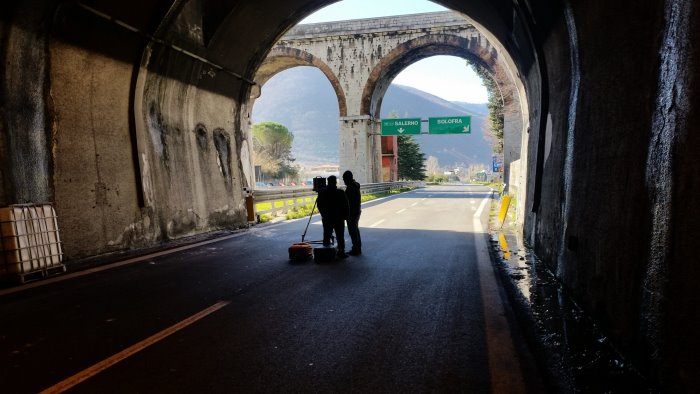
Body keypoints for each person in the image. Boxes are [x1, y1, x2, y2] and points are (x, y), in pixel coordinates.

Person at [316, 175, 349, 258]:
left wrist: (323, 214)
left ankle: (326, 253)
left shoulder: (322, 192)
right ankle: (341, 252)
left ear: (327, 182)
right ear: (335, 182)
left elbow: (319, 205)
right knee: (340, 236)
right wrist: (346, 216)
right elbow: (346, 205)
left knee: (326, 235)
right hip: (339, 218)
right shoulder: (340, 192)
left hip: (327, 218)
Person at [342, 170, 362, 256]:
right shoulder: (355, 186)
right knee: (355, 230)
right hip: (356, 211)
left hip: (352, 212)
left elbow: (348, 202)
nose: (344, 181)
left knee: (352, 231)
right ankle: (357, 248)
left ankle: (356, 249)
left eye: (344, 179)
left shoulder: (350, 188)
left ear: (348, 178)